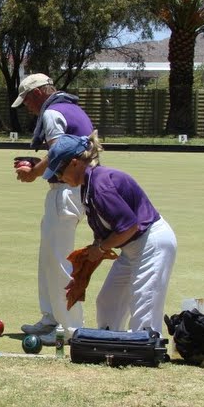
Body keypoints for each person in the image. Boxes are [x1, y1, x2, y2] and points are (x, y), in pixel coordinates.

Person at [43, 133, 177, 334]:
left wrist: (100, 248)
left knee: (144, 309)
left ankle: (145, 346)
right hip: (132, 247)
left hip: (151, 243)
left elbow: (129, 226)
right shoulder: (88, 184)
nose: (60, 177)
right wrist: (88, 263)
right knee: (108, 302)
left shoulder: (101, 185)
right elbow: (108, 229)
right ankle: (110, 344)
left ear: (74, 163)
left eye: (60, 171)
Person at [12, 73, 93, 344]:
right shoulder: (73, 108)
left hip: (65, 191)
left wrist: (33, 172)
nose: (27, 108)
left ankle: (68, 328)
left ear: (37, 93)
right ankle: (50, 318)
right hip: (72, 190)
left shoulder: (52, 113)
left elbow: (59, 153)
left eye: (26, 101)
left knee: (59, 262)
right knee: (48, 257)